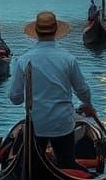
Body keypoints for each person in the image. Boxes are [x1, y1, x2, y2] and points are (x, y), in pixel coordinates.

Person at [9, 11, 97, 169]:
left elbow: (15, 98)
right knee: (67, 164)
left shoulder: (23, 60)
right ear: (56, 30)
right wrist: (89, 105)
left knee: (31, 165)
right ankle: (67, 169)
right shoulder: (68, 59)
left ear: (36, 31)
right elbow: (82, 90)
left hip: (36, 124)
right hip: (62, 124)